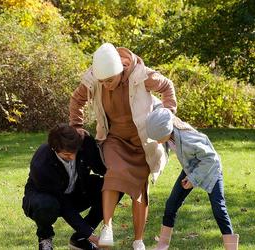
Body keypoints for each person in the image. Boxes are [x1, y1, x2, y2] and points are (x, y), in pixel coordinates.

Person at [69, 43, 177, 250]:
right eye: (102, 81)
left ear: (120, 71)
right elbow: (77, 99)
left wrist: (167, 114)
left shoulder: (141, 74)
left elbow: (167, 86)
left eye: (109, 80)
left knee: (140, 189)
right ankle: (107, 228)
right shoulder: (94, 79)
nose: (105, 84)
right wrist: (76, 126)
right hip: (114, 139)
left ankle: (138, 241)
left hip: (142, 141)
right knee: (114, 173)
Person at [145, 107, 239, 250]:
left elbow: (211, 159)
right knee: (171, 204)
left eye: (158, 138)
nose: (158, 142)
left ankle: (231, 248)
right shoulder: (169, 132)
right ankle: (163, 245)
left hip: (211, 170)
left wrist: (193, 179)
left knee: (218, 208)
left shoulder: (188, 139)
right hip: (191, 168)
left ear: (166, 130)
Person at [22, 123, 106, 250]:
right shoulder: (41, 164)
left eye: (74, 152)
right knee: (46, 205)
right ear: (54, 149)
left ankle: (80, 238)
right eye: (67, 155)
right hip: (46, 199)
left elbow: (101, 168)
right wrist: (92, 237)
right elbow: (64, 205)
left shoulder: (82, 143)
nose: (72, 157)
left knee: (112, 187)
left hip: (77, 191)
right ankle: (45, 238)